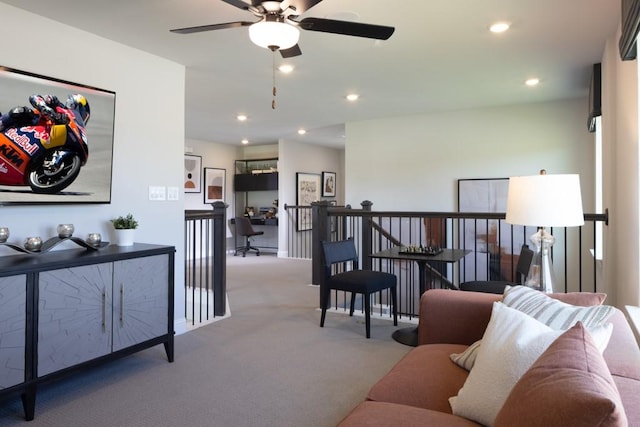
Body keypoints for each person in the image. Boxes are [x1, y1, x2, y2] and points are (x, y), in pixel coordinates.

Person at [0, 93, 90, 132]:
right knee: (21, 111)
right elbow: (34, 97)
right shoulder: (57, 104)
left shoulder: (72, 130)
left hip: (43, 140)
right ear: (74, 104)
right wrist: (45, 108)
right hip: (32, 124)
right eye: (83, 113)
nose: (82, 117)